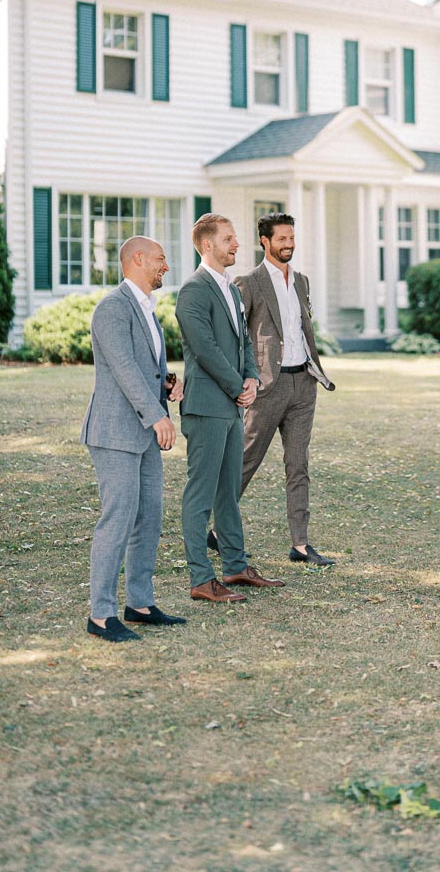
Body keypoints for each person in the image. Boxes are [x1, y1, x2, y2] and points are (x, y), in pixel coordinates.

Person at [81, 237, 187, 643]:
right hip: (114, 433)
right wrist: (158, 415)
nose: (166, 265)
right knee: (119, 518)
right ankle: (101, 614)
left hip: (142, 432)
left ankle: (139, 604)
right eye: (161, 259)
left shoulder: (147, 310)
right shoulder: (112, 308)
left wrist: (168, 384)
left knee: (149, 518)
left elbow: (145, 369)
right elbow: (123, 369)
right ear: (138, 260)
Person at [175, 213, 283, 602]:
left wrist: (252, 378)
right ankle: (201, 579)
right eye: (229, 239)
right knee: (200, 495)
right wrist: (238, 385)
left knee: (227, 493)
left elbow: (243, 345)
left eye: (235, 238)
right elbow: (204, 349)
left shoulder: (233, 291)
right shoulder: (193, 290)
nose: (237, 244)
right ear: (207, 245)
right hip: (205, 406)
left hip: (233, 406)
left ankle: (235, 567)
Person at [225, 211, 336, 567]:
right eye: (282, 239)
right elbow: (237, 335)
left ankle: (300, 545)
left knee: (298, 463)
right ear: (265, 241)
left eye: (291, 238)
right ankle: (215, 528)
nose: (289, 244)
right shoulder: (250, 282)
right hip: (267, 387)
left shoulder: (301, 281)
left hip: (303, 383)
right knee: (245, 460)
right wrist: (244, 378)